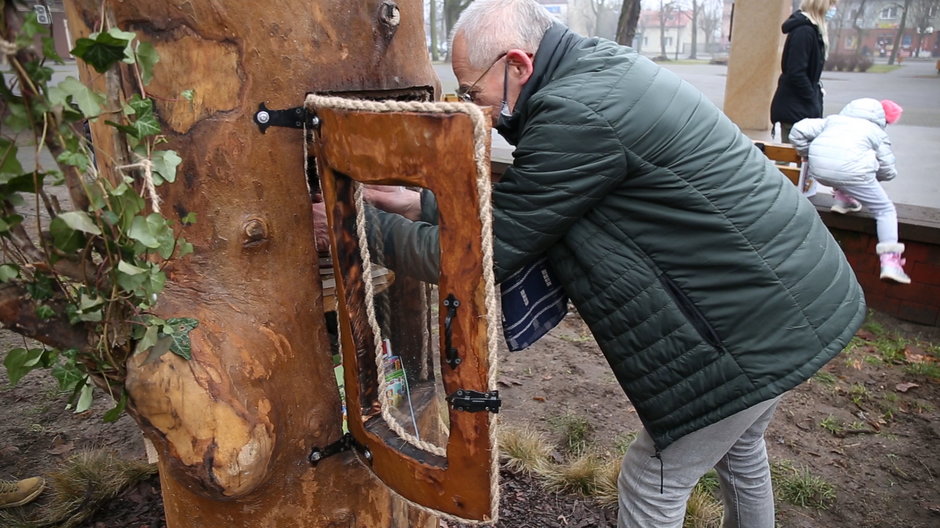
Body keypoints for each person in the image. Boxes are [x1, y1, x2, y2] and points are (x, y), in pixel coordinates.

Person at [320, 0, 866, 525]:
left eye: (471, 90)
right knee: (740, 448)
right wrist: (418, 202)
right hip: (788, 296)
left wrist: (350, 222)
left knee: (653, 478)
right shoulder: (595, 70)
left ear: (518, 64)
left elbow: (479, 255)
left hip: (749, 325)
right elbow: (542, 197)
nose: (472, 106)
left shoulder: (576, 113)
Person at [789, 98, 910, 284]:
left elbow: (798, 129)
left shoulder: (831, 121)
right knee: (885, 210)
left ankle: (844, 200)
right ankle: (891, 263)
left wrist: (808, 152)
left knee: (841, 170)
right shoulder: (876, 132)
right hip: (853, 175)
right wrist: (875, 175)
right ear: (881, 118)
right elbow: (888, 170)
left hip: (820, 170)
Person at [770, 0, 837, 143]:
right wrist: (811, 96)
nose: (833, 9)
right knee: (788, 156)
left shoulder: (810, 30)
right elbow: (796, 72)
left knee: (794, 157)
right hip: (796, 107)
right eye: (831, 4)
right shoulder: (805, 31)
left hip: (798, 106)